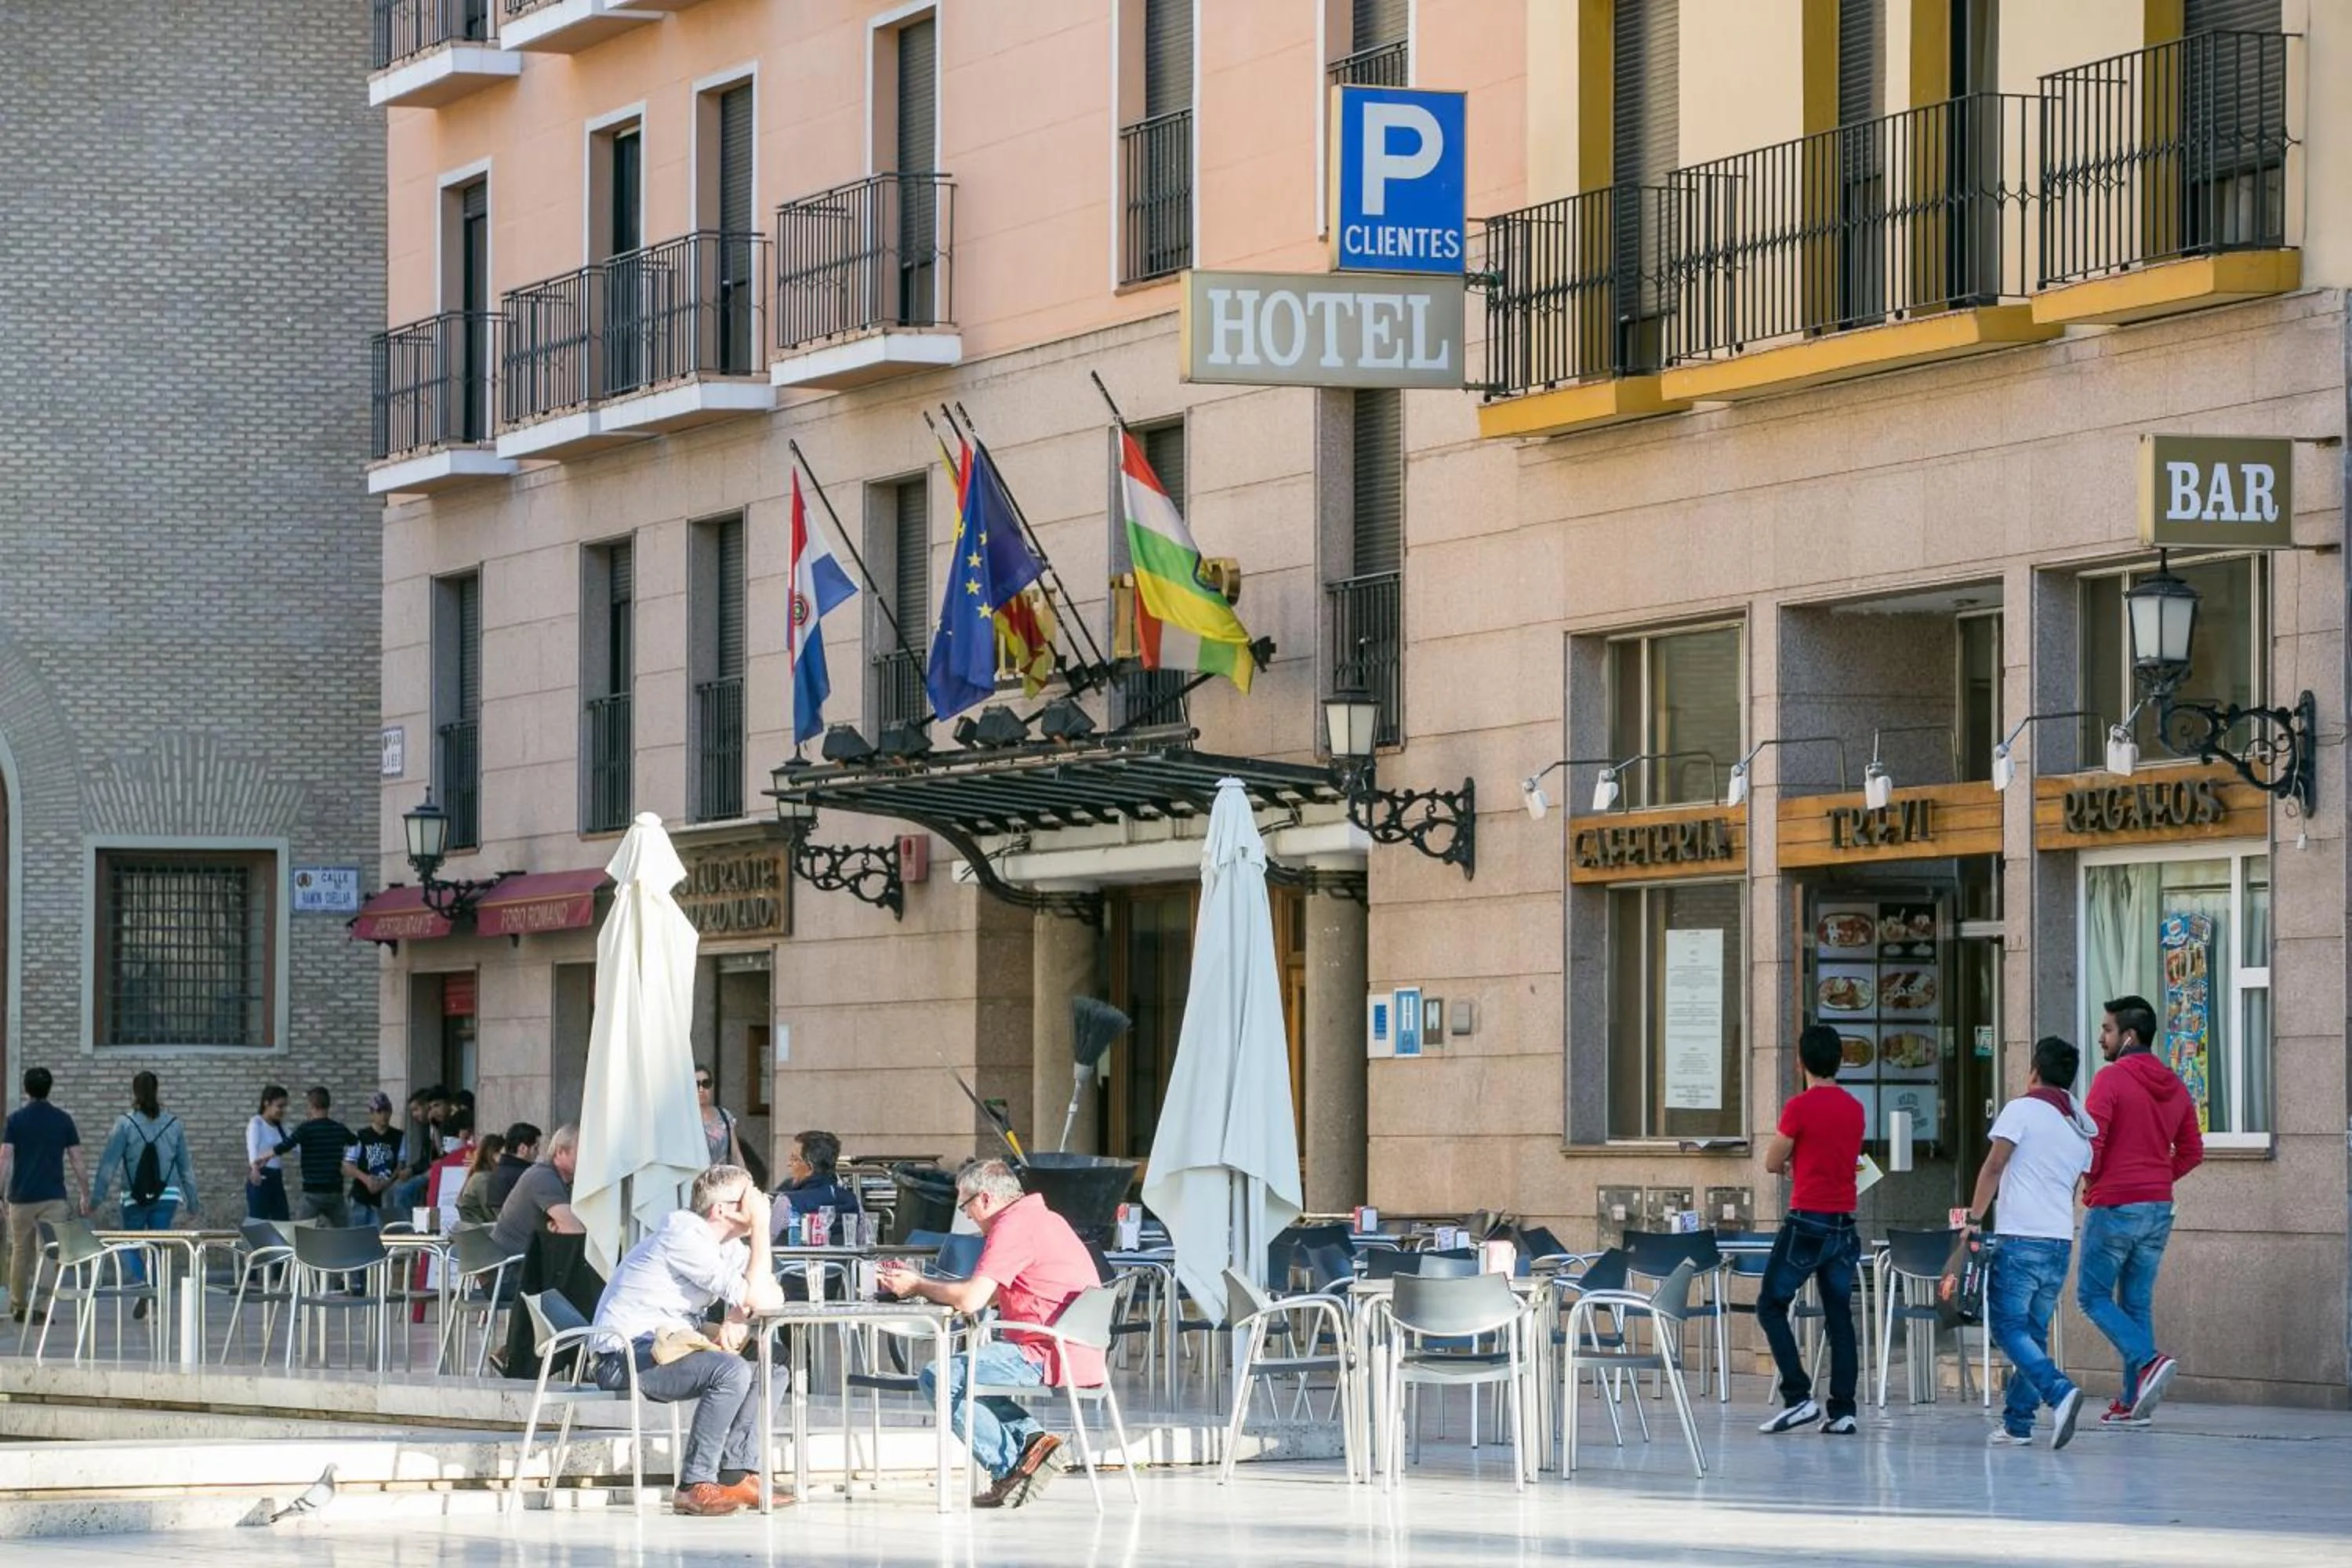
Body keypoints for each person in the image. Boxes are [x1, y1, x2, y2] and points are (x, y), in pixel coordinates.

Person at [877, 1160, 1088, 1508]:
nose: (968, 1215)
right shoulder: (1048, 1219)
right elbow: (989, 1291)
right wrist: (934, 1288)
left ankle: (1011, 1470)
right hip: (1075, 1347)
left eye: (966, 1205)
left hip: (1044, 1350)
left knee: (941, 1376)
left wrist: (916, 1283)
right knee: (965, 1374)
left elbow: (973, 1300)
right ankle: (1034, 1443)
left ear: (986, 1199)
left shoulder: (1012, 1226)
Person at [590, 1163, 784, 1516]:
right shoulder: (684, 1235)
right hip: (626, 1355)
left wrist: (735, 1317)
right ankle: (694, 1485)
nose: (758, 1203)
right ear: (721, 1208)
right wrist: (761, 1230)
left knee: (774, 1362)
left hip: (671, 1346)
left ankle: (736, 1472)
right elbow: (753, 1297)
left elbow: (770, 1295)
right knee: (730, 1371)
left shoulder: (727, 1246)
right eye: (748, 1197)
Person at [2078, 993, 2203, 1428]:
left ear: (2128, 1036)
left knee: (2091, 1296)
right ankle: (2134, 1403)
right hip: (2157, 1207)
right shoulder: (2174, 1083)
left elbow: (2092, 1142)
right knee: (2135, 1304)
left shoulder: (2110, 1080)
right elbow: (2192, 1151)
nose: (2101, 1038)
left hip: (2116, 1204)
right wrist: (2157, 1178)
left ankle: (2149, 1361)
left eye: (2107, 1030)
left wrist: (2091, 1182)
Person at [1967, 1035, 2097, 1450]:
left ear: (2034, 1072)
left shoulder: (2021, 1110)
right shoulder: (2080, 1128)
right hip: (2059, 1241)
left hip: (2021, 1238)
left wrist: (1972, 1219)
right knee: (2033, 1333)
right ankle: (2018, 1423)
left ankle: (2059, 1392)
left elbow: (1993, 1166)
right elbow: (2076, 1184)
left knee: (2007, 1327)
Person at [1757, 1023, 1867, 1436]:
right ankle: (1843, 1410)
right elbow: (1842, 1156)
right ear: (1840, 1061)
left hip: (1808, 1220)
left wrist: (1790, 1161)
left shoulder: (1799, 1107)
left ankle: (1799, 1397)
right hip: (1844, 1223)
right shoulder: (1855, 1107)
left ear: (1800, 1061)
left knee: (1771, 1304)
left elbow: (1772, 1160)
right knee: (1840, 1318)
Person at [89, 1071, 198, 1309]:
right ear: (157, 1090)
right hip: (168, 1195)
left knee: (129, 1244)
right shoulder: (174, 1124)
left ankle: (144, 1283)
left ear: (134, 1092)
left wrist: (95, 1198)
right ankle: (154, 1289)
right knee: (157, 1246)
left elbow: (108, 1164)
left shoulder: (124, 1124)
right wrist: (193, 1202)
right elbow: (185, 1167)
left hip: (134, 1196)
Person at [2, 1067, 86, 1325]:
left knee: (19, 1251)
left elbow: (4, 1157)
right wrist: (85, 1192)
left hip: (21, 1198)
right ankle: (40, 1308)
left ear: (27, 1090)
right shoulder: (63, 1120)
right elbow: (77, 1160)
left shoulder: (15, 1120)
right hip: (53, 1199)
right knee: (50, 1253)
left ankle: (18, 1306)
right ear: (49, 1089)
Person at [490, 1123, 584, 1259]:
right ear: (560, 1152)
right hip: (513, 1267)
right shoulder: (544, 1177)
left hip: (524, 1261)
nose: (587, 1158)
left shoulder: (558, 1178)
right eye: (581, 1151)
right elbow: (574, 1231)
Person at [275, 1087, 357, 1227]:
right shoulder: (339, 1129)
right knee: (345, 1233)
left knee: (300, 1234)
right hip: (334, 1192)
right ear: (328, 1105)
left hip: (312, 1193)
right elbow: (356, 1143)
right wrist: (350, 1162)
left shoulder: (306, 1129)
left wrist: (262, 1158)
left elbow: (284, 1146)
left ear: (311, 1106)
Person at [773, 1130, 862, 1226]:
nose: (789, 1164)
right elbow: (864, 1238)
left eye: (794, 1159)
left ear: (811, 1166)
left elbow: (764, 1238)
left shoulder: (787, 1203)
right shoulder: (853, 1201)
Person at [345, 1092, 403, 1231]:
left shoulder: (399, 1136)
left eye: (386, 1110)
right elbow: (347, 1165)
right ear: (371, 1114)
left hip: (385, 1198)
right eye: (379, 1111)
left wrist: (388, 1181)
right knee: (357, 1237)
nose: (383, 1115)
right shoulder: (361, 1136)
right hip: (361, 1196)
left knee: (381, 1239)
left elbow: (401, 1164)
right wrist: (366, 1179)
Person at [387, 1086, 444, 1214]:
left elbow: (442, 1154)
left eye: (416, 1109)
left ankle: (408, 1228)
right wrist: (411, 1170)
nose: (414, 1115)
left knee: (402, 1190)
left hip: (438, 1171)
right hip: (428, 1171)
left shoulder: (439, 1126)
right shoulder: (425, 1128)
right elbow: (426, 1158)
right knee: (391, 1191)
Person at [245, 1086, 292, 1221]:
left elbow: (295, 1145)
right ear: (267, 1103)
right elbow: (252, 1147)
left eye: (284, 1107)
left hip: (276, 1178)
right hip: (261, 1175)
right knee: (259, 1220)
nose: (282, 1111)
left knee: (282, 1219)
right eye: (279, 1106)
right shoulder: (257, 1123)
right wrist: (255, 1169)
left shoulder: (281, 1127)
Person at [488, 1122, 542, 1210]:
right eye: (535, 1148)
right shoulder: (526, 1175)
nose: (538, 1153)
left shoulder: (498, 1171)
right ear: (523, 1149)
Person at [457, 1136, 507, 1227]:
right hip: (479, 1232)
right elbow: (492, 1214)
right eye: (505, 1154)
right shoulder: (484, 1179)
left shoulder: (482, 1175)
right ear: (494, 1155)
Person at [695, 1068, 742, 1167]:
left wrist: (746, 1180)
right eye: (696, 1084)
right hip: (695, 1180)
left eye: (706, 1084)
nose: (701, 1089)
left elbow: (736, 1154)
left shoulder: (724, 1115)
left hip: (720, 1180)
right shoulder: (686, 1120)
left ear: (712, 1086)